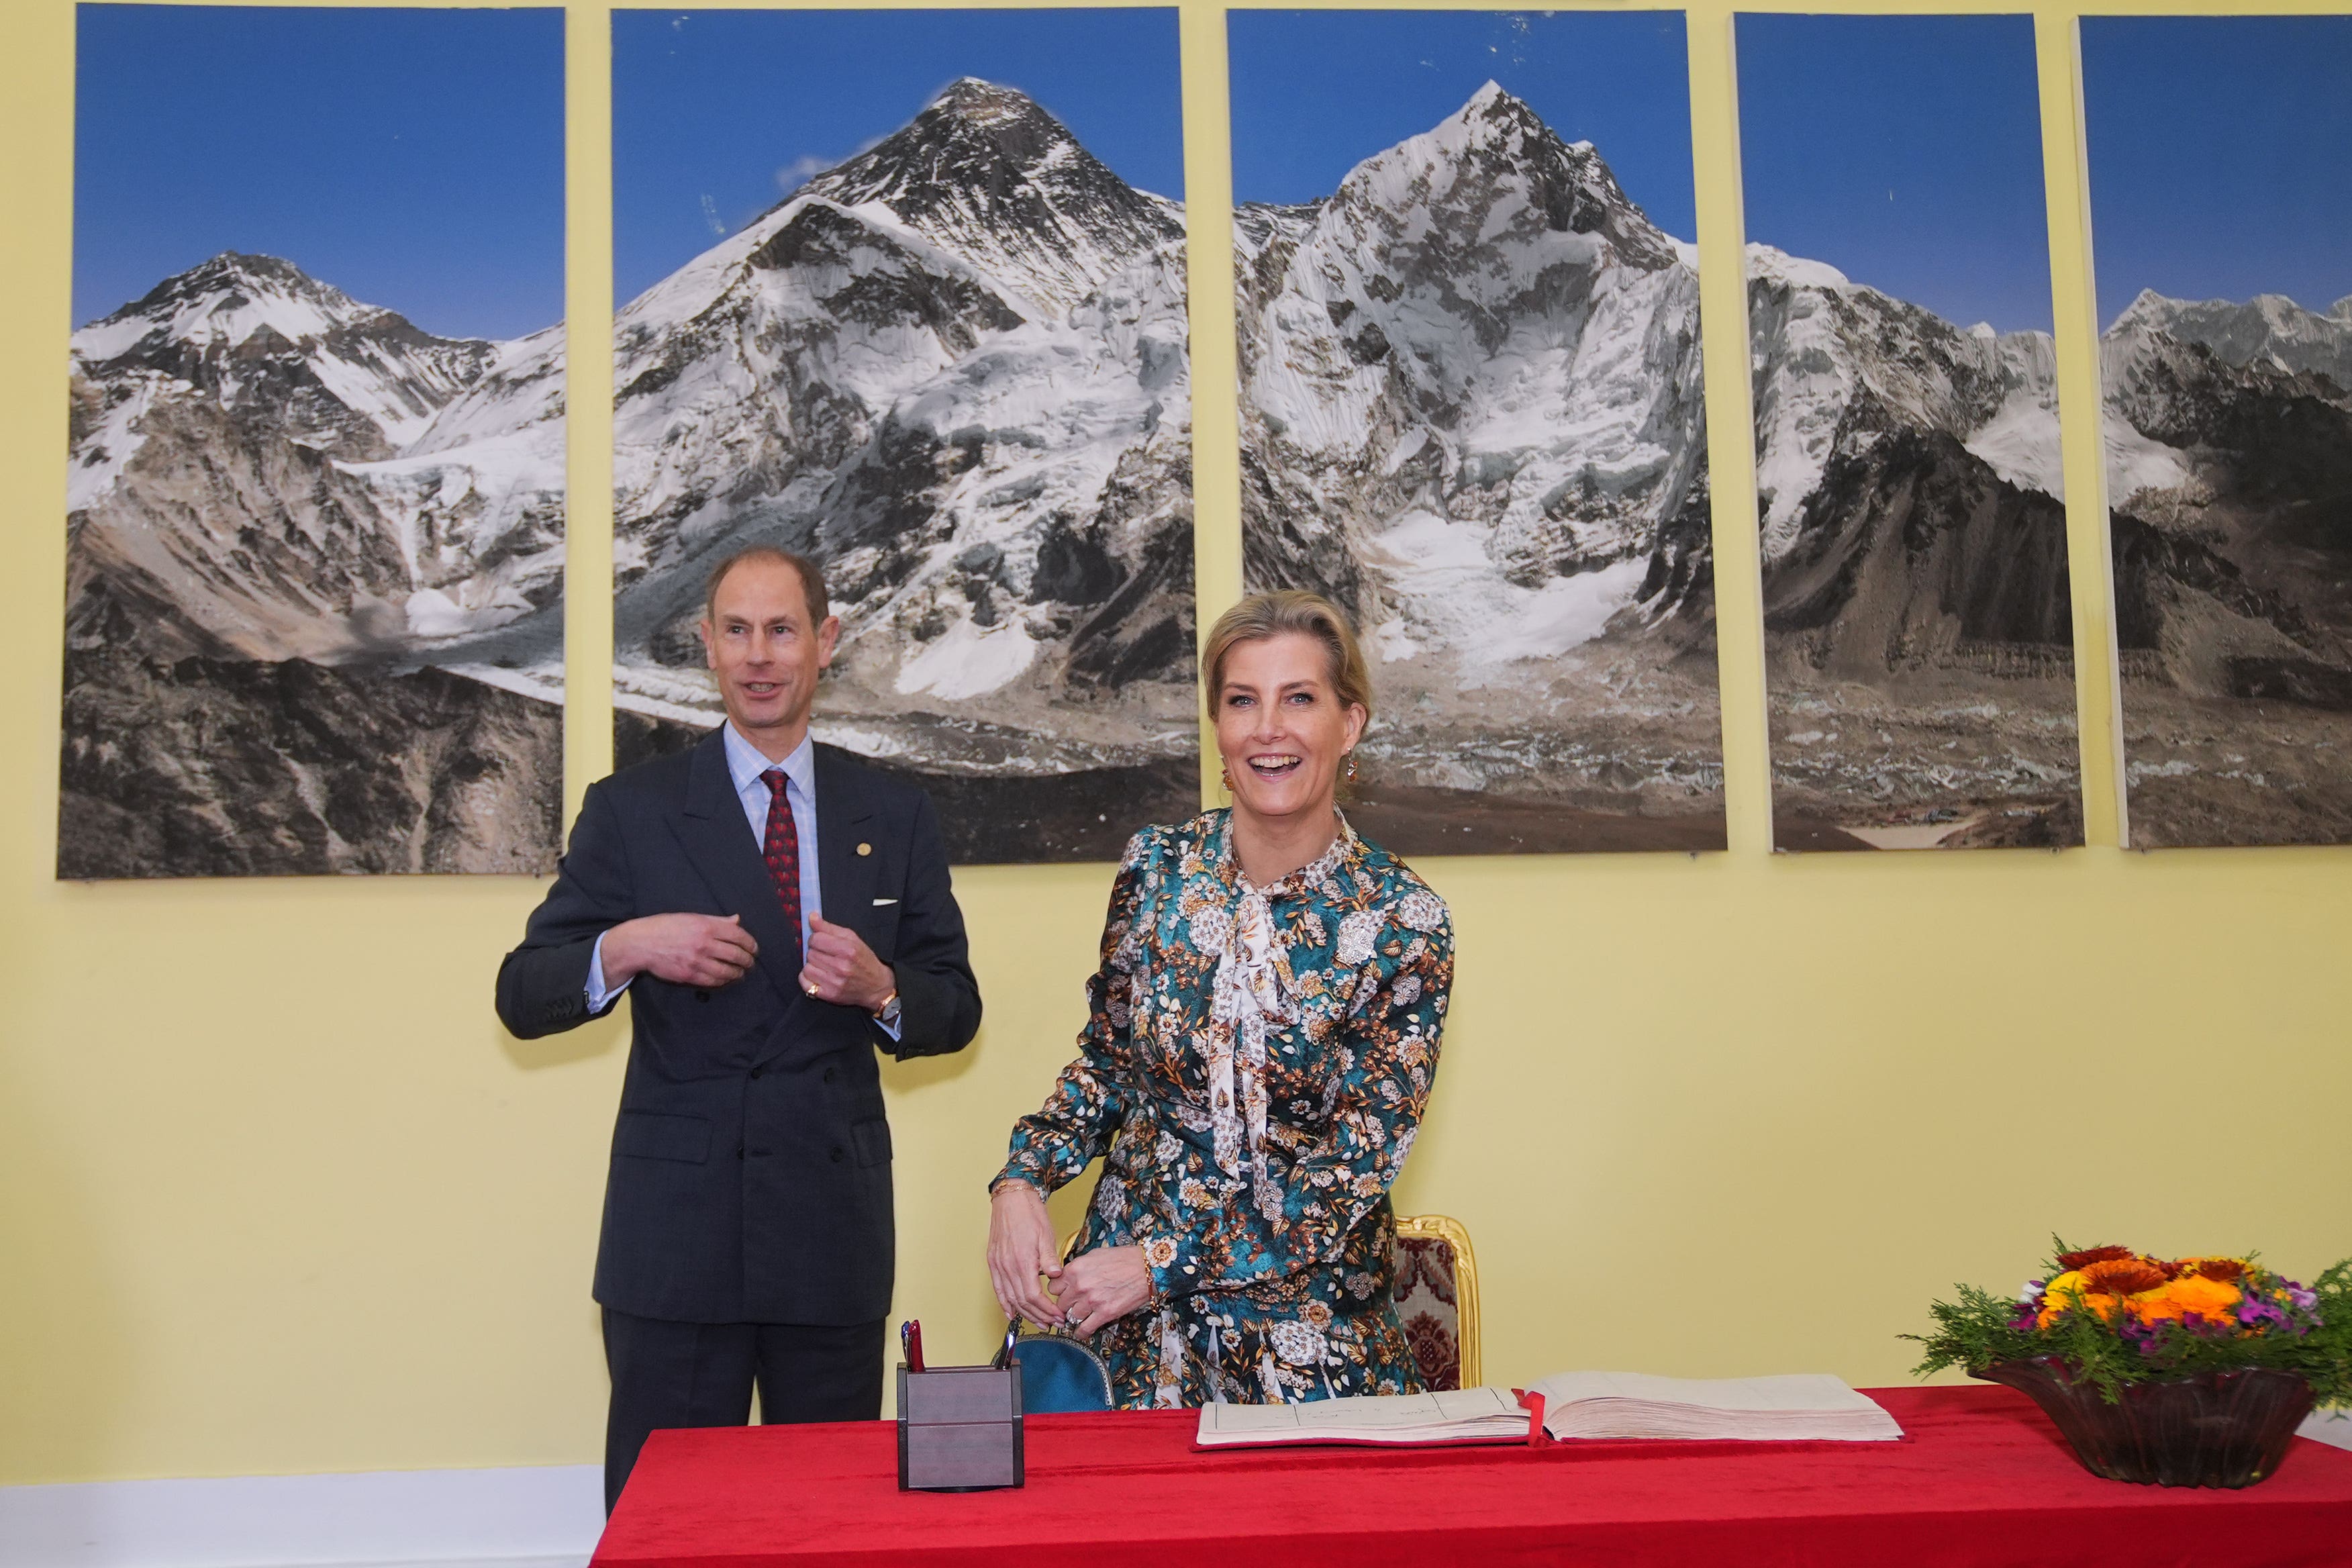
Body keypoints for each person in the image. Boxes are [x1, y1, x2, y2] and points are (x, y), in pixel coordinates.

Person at [497, 546, 981, 1510]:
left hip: (830, 1231)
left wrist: (883, 988)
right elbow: (523, 992)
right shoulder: (632, 811)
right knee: (671, 1521)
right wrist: (629, 946)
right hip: (678, 1238)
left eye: (782, 629)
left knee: (828, 1519)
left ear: (824, 641)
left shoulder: (893, 811)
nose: (760, 655)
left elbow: (956, 1005)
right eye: (737, 630)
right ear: (707, 645)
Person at [985, 590, 1453, 1407]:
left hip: (1306, 1343)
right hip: (1124, 1337)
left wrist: (1159, 1262)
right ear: (1217, 725)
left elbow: (1350, 1166)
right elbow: (1111, 1062)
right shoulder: (1156, 868)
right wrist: (1022, 1179)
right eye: (1242, 700)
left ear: (1349, 724)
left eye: (1298, 698)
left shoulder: (1403, 921)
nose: (1268, 728)